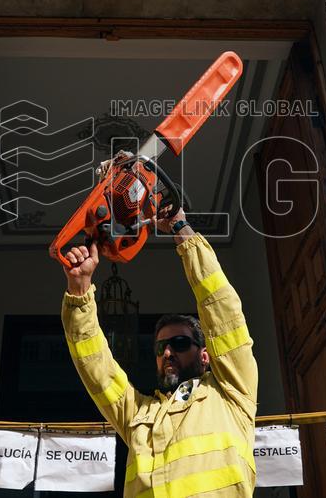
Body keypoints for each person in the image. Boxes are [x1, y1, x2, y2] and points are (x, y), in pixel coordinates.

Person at [60, 207, 258, 497]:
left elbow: (221, 307)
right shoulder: (137, 415)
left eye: (179, 344)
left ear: (205, 356)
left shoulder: (232, 392)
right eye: (160, 347)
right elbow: (95, 368)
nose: (167, 353)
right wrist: (79, 291)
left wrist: (181, 230)